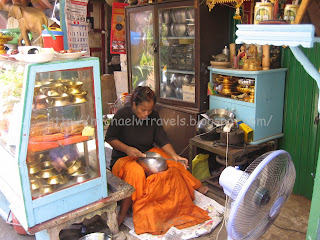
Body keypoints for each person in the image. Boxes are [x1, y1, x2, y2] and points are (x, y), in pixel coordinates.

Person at [105, 86, 209, 235]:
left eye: (149, 110)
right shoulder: (122, 115)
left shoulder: (153, 116)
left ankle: (195, 186)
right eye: (143, 110)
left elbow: (161, 138)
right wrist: (127, 149)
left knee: (172, 163)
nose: (147, 114)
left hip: (146, 153)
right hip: (124, 157)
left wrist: (174, 155)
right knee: (135, 173)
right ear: (134, 105)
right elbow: (110, 138)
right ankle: (123, 213)